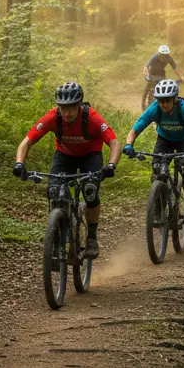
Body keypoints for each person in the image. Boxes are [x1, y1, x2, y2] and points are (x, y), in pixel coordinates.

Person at [13, 82, 122, 260]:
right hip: (64, 156)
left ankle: (91, 237)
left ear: (79, 104)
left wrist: (111, 165)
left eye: (71, 107)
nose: (67, 113)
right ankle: (57, 232)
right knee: (54, 190)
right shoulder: (53, 117)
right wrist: (19, 164)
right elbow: (27, 142)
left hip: (90, 156)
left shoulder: (92, 117)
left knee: (90, 191)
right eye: (63, 108)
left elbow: (114, 143)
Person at [124, 79, 184, 224]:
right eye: (160, 101)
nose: (163, 104)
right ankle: (158, 208)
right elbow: (137, 127)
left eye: (167, 101)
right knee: (157, 171)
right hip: (165, 139)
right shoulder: (155, 108)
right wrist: (129, 145)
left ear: (175, 99)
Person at [142, 44, 183, 109]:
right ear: (159, 53)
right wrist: (146, 75)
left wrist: (180, 77)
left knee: (163, 88)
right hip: (152, 73)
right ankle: (145, 102)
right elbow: (146, 67)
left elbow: (175, 68)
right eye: (162, 54)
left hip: (161, 74)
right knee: (151, 86)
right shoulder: (155, 56)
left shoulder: (169, 58)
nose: (164, 56)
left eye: (165, 55)